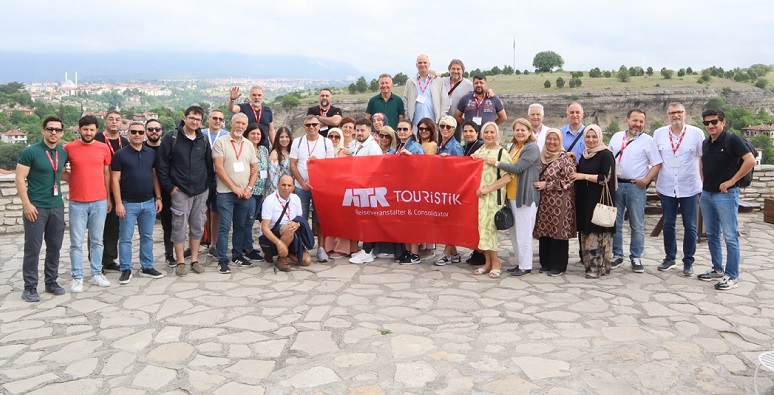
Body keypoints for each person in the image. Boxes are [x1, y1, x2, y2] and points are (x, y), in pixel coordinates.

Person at [698, 108, 756, 290]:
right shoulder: (706, 143)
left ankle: (732, 276)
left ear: (722, 122)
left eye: (714, 122)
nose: (710, 126)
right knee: (712, 235)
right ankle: (717, 269)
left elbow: (750, 160)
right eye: (706, 123)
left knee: (730, 236)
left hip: (726, 195)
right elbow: (703, 163)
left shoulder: (732, 139)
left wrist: (731, 181)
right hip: (707, 193)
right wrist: (702, 182)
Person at [156, 106, 214, 276]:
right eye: (192, 118)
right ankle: (181, 261)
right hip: (180, 190)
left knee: (197, 226)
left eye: (198, 119)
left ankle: (194, 260)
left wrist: (207, 186)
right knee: (179, 226)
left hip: (200, 191)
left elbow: (208, 166)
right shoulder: (171, 138)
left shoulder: (202, 140)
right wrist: (170, 188)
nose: (195, 122)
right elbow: (162, 166)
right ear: (184, 117)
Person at [16, 116, 68, 301]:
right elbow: (19, 178)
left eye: (57, 130)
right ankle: (29, 287)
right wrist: (26, 204)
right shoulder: (31, 152)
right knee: (33, 248)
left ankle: (51, 281)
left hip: (57, 206)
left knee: (54, 246)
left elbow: (61, 174)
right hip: (36, 207)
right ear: (43, 131)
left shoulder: (62, 153)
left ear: (62, 133)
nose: (53, 132)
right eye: (50, 129)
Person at [652, 102, 704, 276]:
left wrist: (702, 184)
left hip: (689, 186)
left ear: (685, 114)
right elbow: (656, 161)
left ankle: (688, 261)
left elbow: (702, 160)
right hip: (667, 186)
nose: (676, 115)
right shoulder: (658, 134)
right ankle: (670, 257)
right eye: (672, 113)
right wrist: (656, 182)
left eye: (679, 112)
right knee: (668, 224)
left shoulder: (696, 134)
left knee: (690, 226)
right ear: (667, 116)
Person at [608, 109, 662, 271]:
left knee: (636, 224)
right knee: (615, 223)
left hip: (635, 187)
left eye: (641, 122)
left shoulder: (648, 141)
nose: (638, 124)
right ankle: (617, 254)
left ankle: (636, 256)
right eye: (635, 121)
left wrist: (646, 180)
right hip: (616, 185)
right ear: (627, 121)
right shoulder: (616, 137)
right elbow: (609, 157)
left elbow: (657, 163)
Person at [111, 121, 164, 284]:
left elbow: (154, 176)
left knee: (147, 236)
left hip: (148, 202)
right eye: (134, 132)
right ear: (127, 133)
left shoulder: (151, 153)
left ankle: (147, 265)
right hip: (128, 203)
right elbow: (114, 180)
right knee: (125, 238)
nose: (137, 135)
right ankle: (125, 268)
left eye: (141, 132)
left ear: (144, 134)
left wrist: (159, 197)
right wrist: (118, 203)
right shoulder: (120, 155)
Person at [64, 115, 112, 292]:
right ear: (79, 129)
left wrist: (108, 198)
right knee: (76, 242)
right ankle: (77, 277)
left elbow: (106, 173)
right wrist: (74, 179)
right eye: (85, 129)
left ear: (96, 130)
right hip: (77, 202)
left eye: (92, 130)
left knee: (97, 240)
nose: (88, 132)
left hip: (99, 201)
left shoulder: (103, 148)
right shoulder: (69, 148)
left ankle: (96, 273)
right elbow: (60, 170)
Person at [487, 118, 541, 276]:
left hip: (524, 196)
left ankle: (525, 265)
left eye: (523, 130)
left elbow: (517, 168)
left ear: (529, 132)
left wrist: (496, 163)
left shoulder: (532, 148)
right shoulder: (513, 147)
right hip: (511, 195)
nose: (520, 132)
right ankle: (519, 262)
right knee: (514, 232)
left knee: (524, 232)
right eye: (517, 130)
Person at [212, 113, 259, 274]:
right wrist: (234, 188)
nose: (240, 126)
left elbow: (255, 169)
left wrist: (249, 188)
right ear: (231, 124)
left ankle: (237, 255)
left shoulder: (248, 144)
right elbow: (219, 168)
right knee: (225, 226)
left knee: (240, 226)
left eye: (243, 124)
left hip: (245, 194)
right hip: (226, 193)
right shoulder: (221, 142)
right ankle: (222, 260)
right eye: (237, 123)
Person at [570, 125, 616, 279]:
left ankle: (597, 268)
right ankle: (589, 264)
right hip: (585, 199)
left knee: (597, 233)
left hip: (599, 200)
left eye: (594, 137)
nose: (591, 140)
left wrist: (584, 176)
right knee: (587, 232)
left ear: (600, 137)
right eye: (588, 137)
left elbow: (605, 178)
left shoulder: (606, 155)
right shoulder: (585, 154)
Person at [289, 115, 335, 262]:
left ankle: (321, 248)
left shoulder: (327, 142)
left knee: (320, 217)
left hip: (320, 187)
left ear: (319, 126)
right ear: (304, 127)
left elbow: (331, 166)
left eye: (314, 124)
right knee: (300, 217)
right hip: (301, 186)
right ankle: (302, 246)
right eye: (308, 125)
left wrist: (319, 162)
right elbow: (293, 164)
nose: (311, 127)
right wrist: (301, 182)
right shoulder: (298, 142)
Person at [470, 122, 513, 278]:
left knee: (490, 230)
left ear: (497, 134)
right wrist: (472, 158)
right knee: (483, 230)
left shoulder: (502, 153)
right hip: (480, 197)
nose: (489, 135)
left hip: (493, 197)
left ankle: (496, 263)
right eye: (486, 132)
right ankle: (487, 262)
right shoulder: (480, 150)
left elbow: (508, 176)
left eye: (492, 132)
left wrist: (488, 188)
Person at [533, 129, 577, 276]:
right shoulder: (541, 157)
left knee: (558, 233)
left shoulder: (566, 158)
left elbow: (570, 180)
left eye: (555, 139)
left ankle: (558, 266)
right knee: (545, 232)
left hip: (561, 202)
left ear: (560, 141)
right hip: (544, 202)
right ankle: (545, 263)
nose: (552, 142)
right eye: (549, 139)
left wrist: (548, 185)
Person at [94, 111, 129, 273]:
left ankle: (109, 259)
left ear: (121, 123)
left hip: (120, 190)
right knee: (97, 228)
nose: (114, 122)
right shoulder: (97, 140)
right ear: (105, 122)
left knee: (114, 228)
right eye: (111, 119)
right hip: (99, 189)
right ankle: (96, 262)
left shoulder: (125, 142)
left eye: (117, 120)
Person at [262, 175, 312, 271]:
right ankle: (282, 258)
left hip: (292, 233)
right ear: (278, 185)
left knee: (306, 261)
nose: (286, 188)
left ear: (293, 187)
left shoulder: (295, 198)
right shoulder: (269, 200)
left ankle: (286, 251)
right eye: (283, 185)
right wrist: (279, 243)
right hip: (274, 233)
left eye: (289, 185)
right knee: (289, 228)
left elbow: (299, 219)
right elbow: (264, 228)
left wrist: (297, 224)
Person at [142, 120, 175, 265]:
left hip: (167, 192)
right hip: (146, 192)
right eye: (150, 129)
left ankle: (169, 254)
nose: (154, 131)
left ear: (161, 131)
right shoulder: (141, 149)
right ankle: (146, 260)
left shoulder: (168, 147)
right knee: (145, 230)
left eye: (157, 129)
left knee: (169, 225)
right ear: (146, 131)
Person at [433, 116, 464, 266]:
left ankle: (446, 253)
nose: (445, 129)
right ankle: (454, 253)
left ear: (454, 129)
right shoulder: (442, 145)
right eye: (442, 126)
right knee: (445, 222)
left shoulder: (455, 147)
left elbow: (460, 170)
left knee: (450, 222)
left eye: (448, 127)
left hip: (452, 190)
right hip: (442, 188)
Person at [202, 110, 229, 258]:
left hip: (219, 177)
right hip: (202, 177)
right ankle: (192, 244)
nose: (217, 121)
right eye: (215, 118)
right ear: (208, 119)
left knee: (215, 212)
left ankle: (213, 244)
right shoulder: (201, 134)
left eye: (220, 119)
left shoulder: (226, 135)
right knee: (197, 212)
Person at [242, 122, 269, 262]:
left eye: (258, 134)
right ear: (247, 134)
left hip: (260, 191)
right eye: (253, 133)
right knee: (248, 220)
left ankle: (245, 245)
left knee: (251, 220)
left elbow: (267, 170)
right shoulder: (244, 149)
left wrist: (265, 191)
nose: (256, 136)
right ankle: (248, 248)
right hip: (248, 191)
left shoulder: (264, 150)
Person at [460, 121, 486, 266]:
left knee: (478, 222)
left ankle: (480, 253)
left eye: (471, 131)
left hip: (478, 189)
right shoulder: (464, 147)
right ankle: (476, 251)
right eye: (465, 131)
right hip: (467, 190)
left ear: (477, 133)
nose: (468, 134)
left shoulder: (480, 147)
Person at [404, 54, 449, 130]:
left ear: (429, 64)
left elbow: (444, 100)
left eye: (425, 62)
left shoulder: (437, 81)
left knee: (432, 142)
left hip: (433, 122)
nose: (422, 65)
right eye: (420, 63)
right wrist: (408, 118)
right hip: (415, 123)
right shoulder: (410, 82)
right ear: (416, 65)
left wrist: (441, 119)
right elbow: (405, 100)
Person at [442, 59, 474, 141]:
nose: (455, 71)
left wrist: (489, 91)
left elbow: (480, 91)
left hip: (457, 121)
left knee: (455, 144)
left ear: (462, 71)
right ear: (449, 70)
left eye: (458, 69)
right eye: (453, 69)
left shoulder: (468, 85)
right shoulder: (442, 81)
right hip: (443, 121)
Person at [267, 126, 292, 197]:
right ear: (277, 139)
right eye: (281, 137)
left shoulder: (293, 152)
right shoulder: (275, 153)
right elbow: (273, 177)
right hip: (277, 190)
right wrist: (280, 193)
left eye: (287, 137)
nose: (284, 139)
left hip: (290, 189)